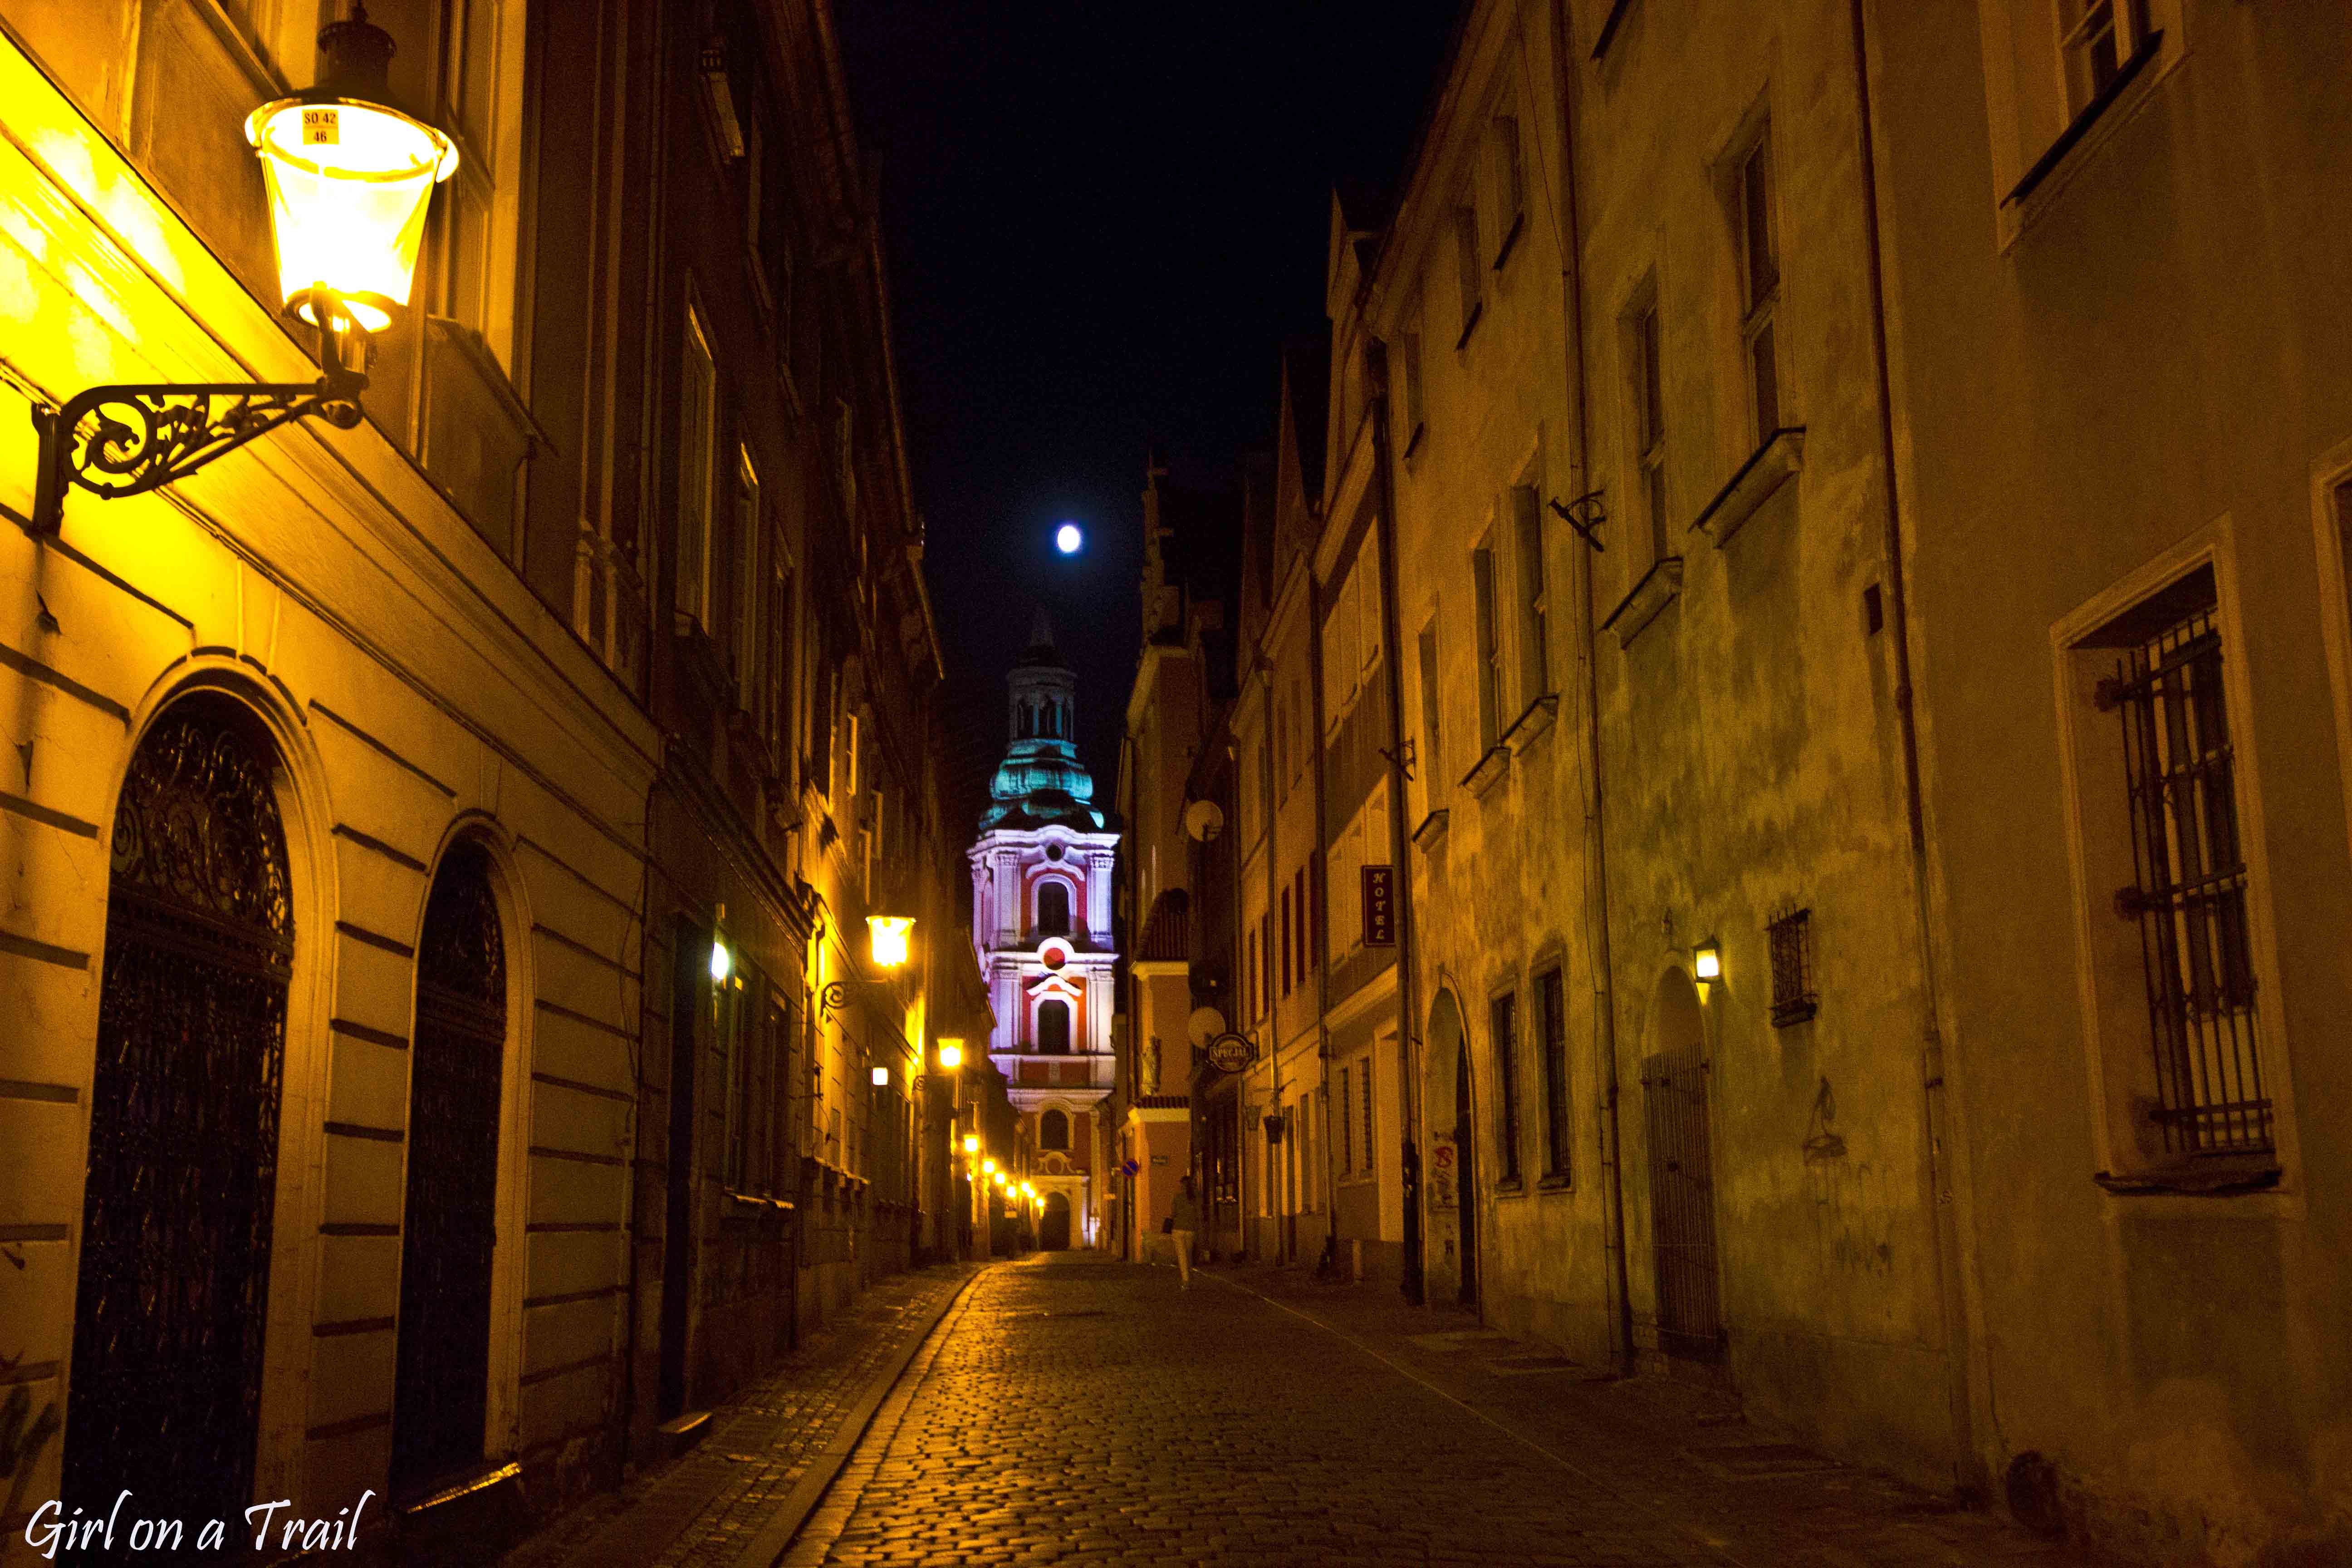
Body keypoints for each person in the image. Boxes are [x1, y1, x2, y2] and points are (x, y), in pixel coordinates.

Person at [1168, 1175, 1201, 1290]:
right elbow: (1199, 1215)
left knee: (1182, 1256)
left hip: (1178, 1229)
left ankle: (1186, 1281)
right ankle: (1189, 1278)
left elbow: (1173, 1214)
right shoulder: (1196, 1198)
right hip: (1191, 1230)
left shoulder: (1178, 1197)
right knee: (1188, 1255)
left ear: (1182, 1185)